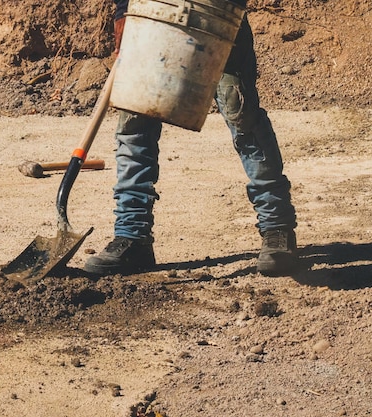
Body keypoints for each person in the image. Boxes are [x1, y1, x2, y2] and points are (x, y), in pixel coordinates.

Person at [84, 0, 298, 276]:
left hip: (216, 11)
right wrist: (123, 9)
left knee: (241, 114)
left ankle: (277, 228)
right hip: (152, 9)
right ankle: (132, 236)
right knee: (135, 117)